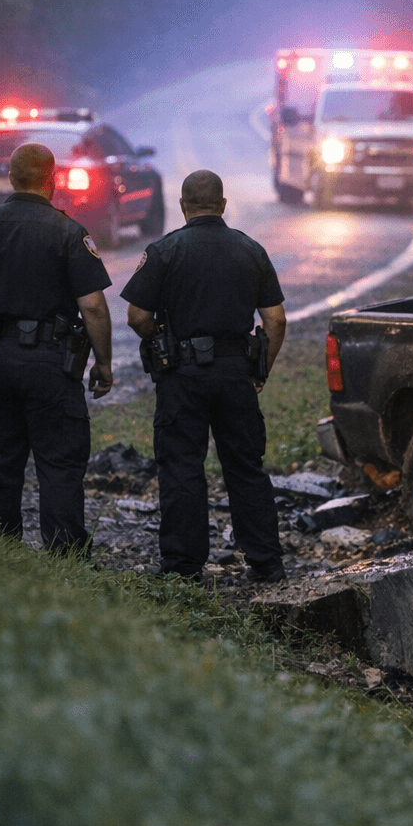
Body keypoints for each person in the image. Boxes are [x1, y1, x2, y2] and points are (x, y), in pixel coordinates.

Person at [0, 143, 114, 554]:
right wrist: (103, 363)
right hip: (49, 364)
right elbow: (92, 305)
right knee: (59, 462)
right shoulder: (68, 231)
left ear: (10, 178)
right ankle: (65, 557)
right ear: (52, 179)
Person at [121, 169, 288, 581]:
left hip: (182, 375)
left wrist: (159, 339)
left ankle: (183, 568)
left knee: (181, 467)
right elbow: (276, 320)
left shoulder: (164, 251)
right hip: (235, 374)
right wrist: (260, 370)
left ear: (182, 206)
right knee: (245, 467)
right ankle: (266, 563)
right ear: (223, 205)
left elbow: (136, 315)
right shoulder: (251, 250)